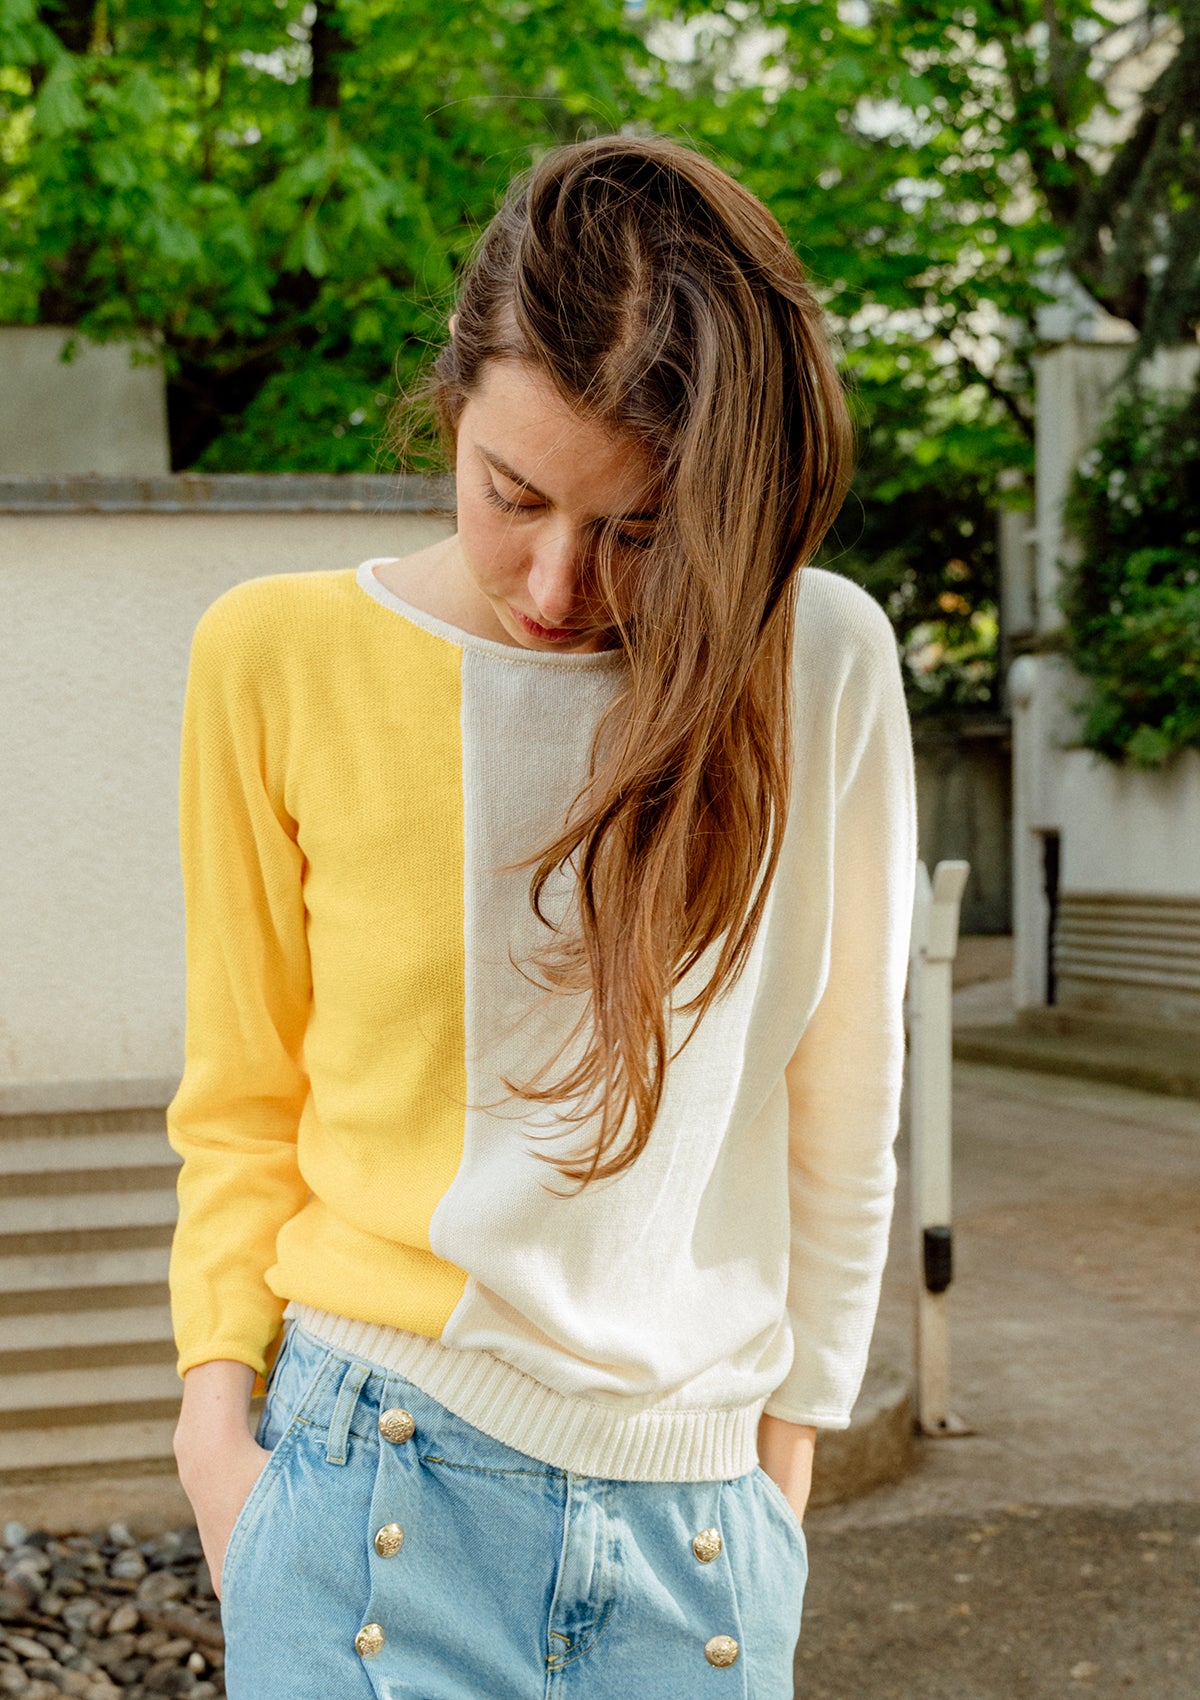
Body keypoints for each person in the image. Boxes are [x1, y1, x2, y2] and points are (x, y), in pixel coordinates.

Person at [167, 131, 917, 1699]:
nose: (560, 585)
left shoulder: (821, 661)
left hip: (699, 1534)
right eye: (512, 495)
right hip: (365, 1484)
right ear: (451, 406)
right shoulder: (275, 657)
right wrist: (213, 1429)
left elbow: (843, 1115)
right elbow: (243, 1095)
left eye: (638, 529)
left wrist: (781, 1480)